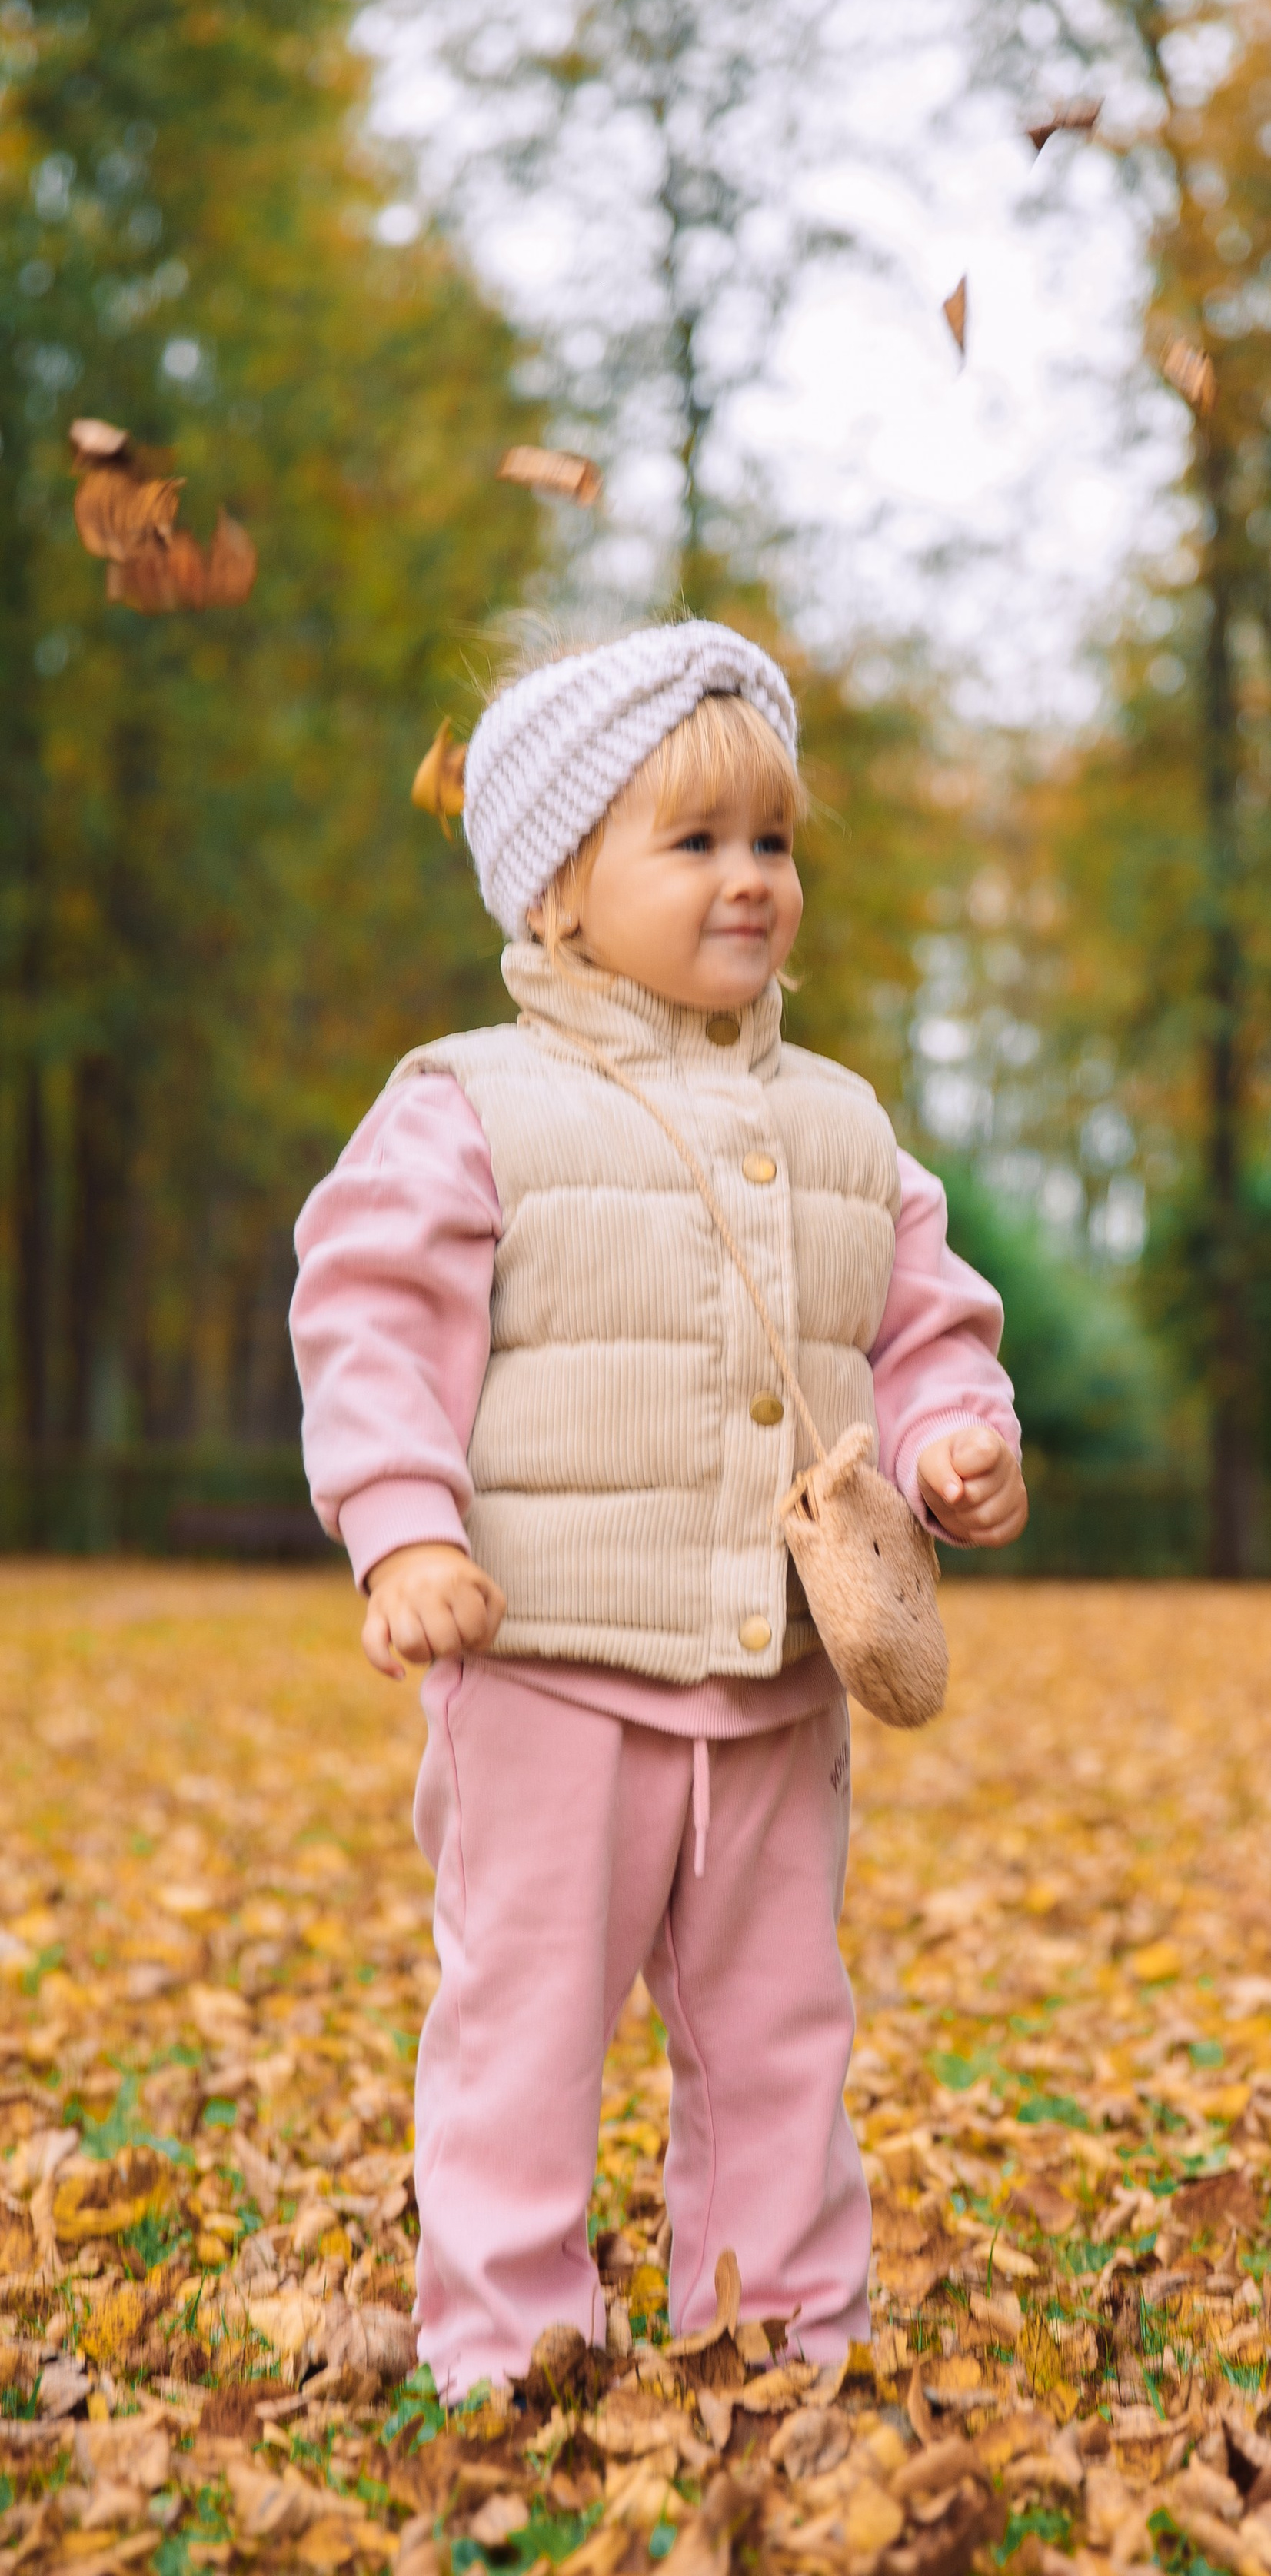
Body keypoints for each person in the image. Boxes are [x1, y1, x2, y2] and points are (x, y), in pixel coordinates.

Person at [290, 619, 1027, 2400]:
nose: (750, 880)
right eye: (691, 844)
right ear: (556, 890)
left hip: (772, 1677)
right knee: (525, 2028)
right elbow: (370, 1314)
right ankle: (507, 2339)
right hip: (549, 1664)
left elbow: (920, 1317)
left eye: (769, 841)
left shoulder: (846, 1124)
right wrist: (405, 1529)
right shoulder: (472, 1103)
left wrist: (954, 1438)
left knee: (777, 2031)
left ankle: (776, 2325)